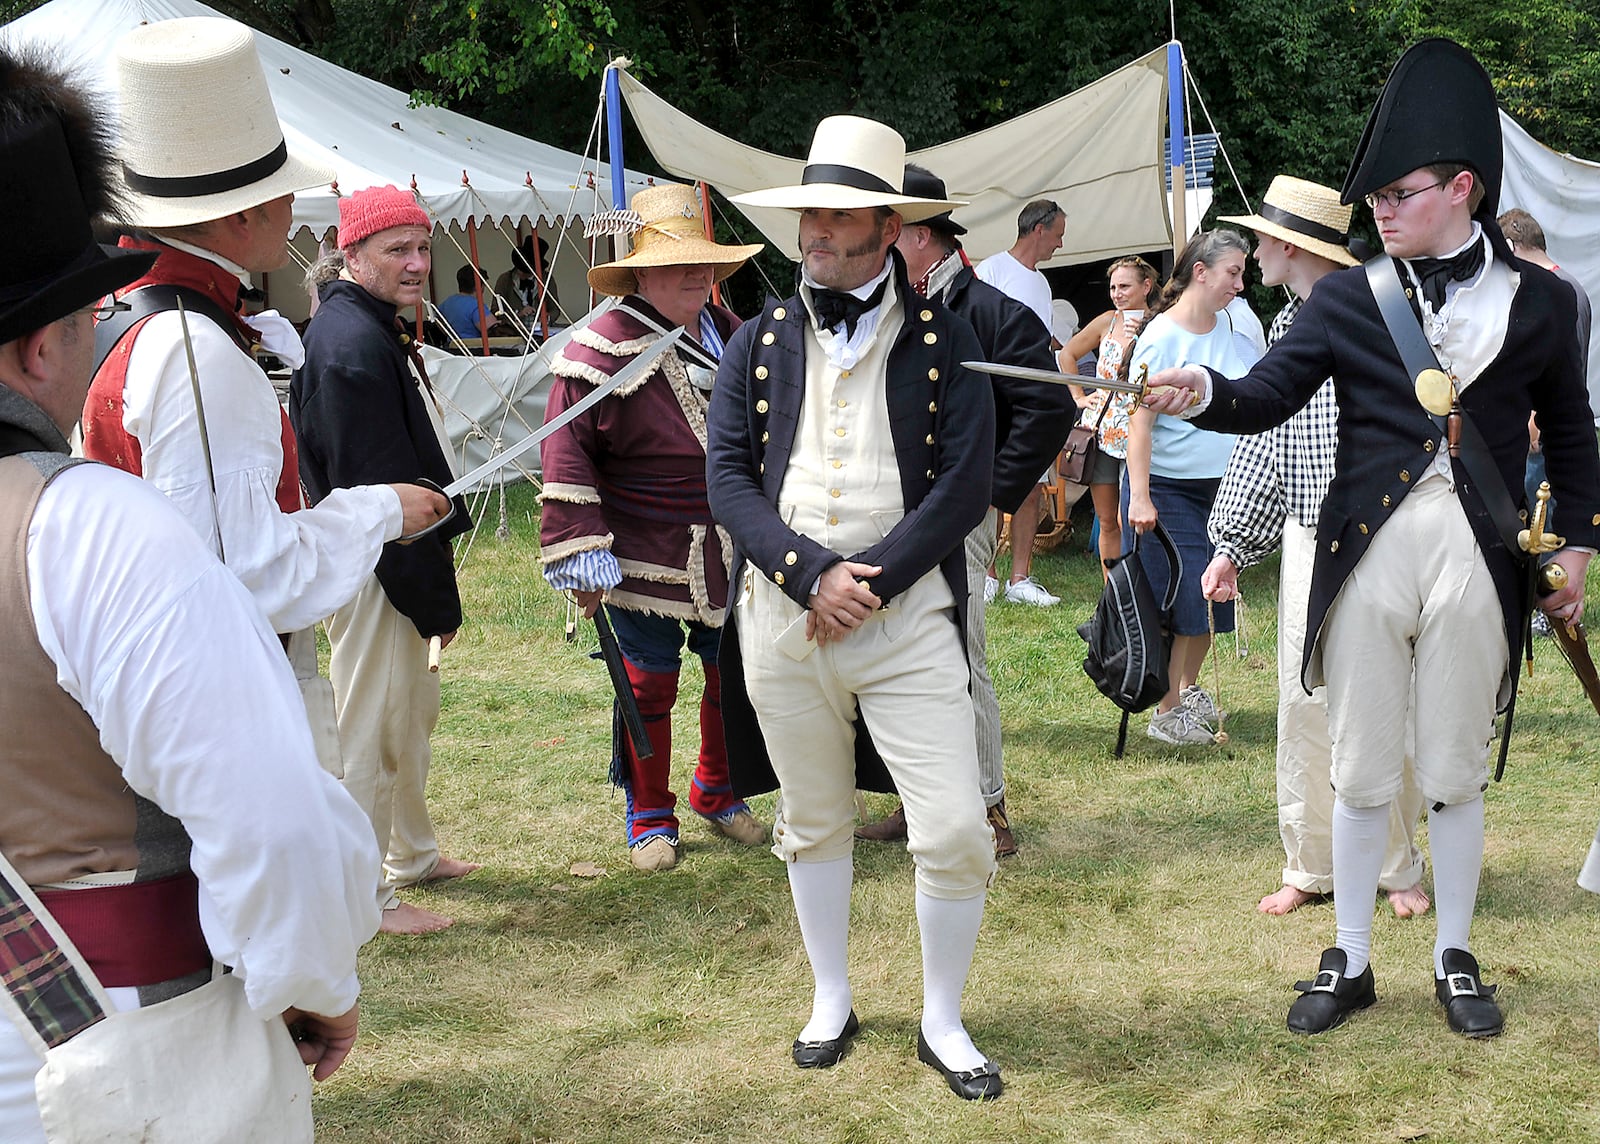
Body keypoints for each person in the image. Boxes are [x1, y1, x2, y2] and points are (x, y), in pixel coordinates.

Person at [1144, 39, 1600, 1038]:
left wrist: (1572, 547)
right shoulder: (1351, 296)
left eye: (1398, 192)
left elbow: (1570, 431)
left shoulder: (1546, 303)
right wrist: (1204, 391)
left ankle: (1454, 957)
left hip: (1480, 555)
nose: (1380, 212)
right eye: (1376, 197)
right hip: (1364, 554)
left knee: (1451, 769)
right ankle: (1347, 954)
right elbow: (1266, 395)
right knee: (1356, 769)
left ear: (1461, 188)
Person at [0, 44, 379, 1138]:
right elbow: (271, 820)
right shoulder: (86, 526)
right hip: (104, 1048)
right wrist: (314, 982)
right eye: (82, 323)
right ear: (36, 350)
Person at [710, 116, 1002, 1099]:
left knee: (956, 827)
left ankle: (942, 1016)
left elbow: (964, 487)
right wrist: (805, 574)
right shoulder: (756, 340)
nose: (820, 233)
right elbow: (727, 478)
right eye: (811, 216)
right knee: (812, 816)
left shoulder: (946, 340)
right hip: (782, 619)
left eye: (840, 216)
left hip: (907, 618)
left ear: (888, 226)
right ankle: (830, 994)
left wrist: (866, 579)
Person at [82, 17, 449, 638]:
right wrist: (380, 509)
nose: (290, 207)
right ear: (245, 213)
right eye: (281, 193)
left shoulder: (136, 311)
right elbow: (245, 574)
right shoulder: (193, 350)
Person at [1202, 176, 1430, 919]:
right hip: (1308, 538)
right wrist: (1232, 542)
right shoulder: (1284, 328)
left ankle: (1397, 868)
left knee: (1384, 704)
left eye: (1262, 238)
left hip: (1382, 535)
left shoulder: (1388, 317)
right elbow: (1265, 444)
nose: (1253, 250)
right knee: (1303, 703)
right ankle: (1311, 864)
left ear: (1293, 245)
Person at [538, 182, 768, 872]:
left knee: (734, 674)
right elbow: (565, 449)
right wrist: (580, 553)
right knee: (647, 684)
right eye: (679, 264)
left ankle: (718, 789)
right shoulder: (596, 347)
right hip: (641, 549)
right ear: (641, 270)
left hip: (733, 545)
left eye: (705, 264)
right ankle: (648, 816)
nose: (698, 276)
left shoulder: (734, 335)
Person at [854, 163, 1075, 858]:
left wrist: (989, 492)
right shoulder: (891, 310)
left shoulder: (988, 313)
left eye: (886, 233)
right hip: (889, 511)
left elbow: (1049, 405)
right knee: (892, 653)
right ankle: (913, 796)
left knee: (958, 654)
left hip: (959, 515)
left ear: (916, 237)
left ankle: (988, 807)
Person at [291, 185, 480, 935]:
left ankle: (413, 854)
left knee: (408, 716)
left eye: (422, 247)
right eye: (396, 249)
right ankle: (364, 897)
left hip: (383, 559)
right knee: (367, 728)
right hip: (372, 569)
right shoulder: (349, 345)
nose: (416, 264)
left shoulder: (363, 328)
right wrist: (429, 595)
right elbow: (378, 499)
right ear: (352, 254)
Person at [1125, 229, 1257, 746]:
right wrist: (1140, 495)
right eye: (1233, 273)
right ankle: (1169, 710)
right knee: (1188, 597)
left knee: (1214, 594)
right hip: (1171, 486)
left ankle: (1186, 690)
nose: (1241, 285)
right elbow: (1140, 424)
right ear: (1200, 272)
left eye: (1243, 273)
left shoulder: (1235, 329)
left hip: (1226, 486)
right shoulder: (1159, 338)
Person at [977, 199, 1065, 606]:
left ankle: (1019, 578)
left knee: (1031, 484)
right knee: (989, 484)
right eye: (1058, 234)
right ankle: (985, 572)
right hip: (996, 396)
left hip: (1032, 398)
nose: (1060, 244)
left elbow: (1040, 338)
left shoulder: (1043, 284)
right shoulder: (991, 271)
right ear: (1038, 230)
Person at [1063, 256, 1161, 576]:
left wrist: (1145, 331)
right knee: (1107, 519)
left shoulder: (1162, 323)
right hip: (1103, 433)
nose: (1117, 293)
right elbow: (1068, 354)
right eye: (1113, 287)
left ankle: (1138, 585)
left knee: (1126, 517)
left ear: (1146, 287)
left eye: (1124, 286)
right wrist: (1079, 396)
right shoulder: (1107, 321)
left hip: (1139, 433)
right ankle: (1113, 595)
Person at [495, 234, 556, 322]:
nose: (522, 273)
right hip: (513, 331)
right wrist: (518, 314)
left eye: (526, 271)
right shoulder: (505, 279)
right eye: (520, 268)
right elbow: (496, 310)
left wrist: (546, 318)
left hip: (540, 330)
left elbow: (555, 309)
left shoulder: (546, 280)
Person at [438, 263, 498, 341]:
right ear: (479, 286)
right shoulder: (476, 306)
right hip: (474, 349)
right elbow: (494, 330)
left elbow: (436, 319)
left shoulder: (448, 302)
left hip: (453, 347)